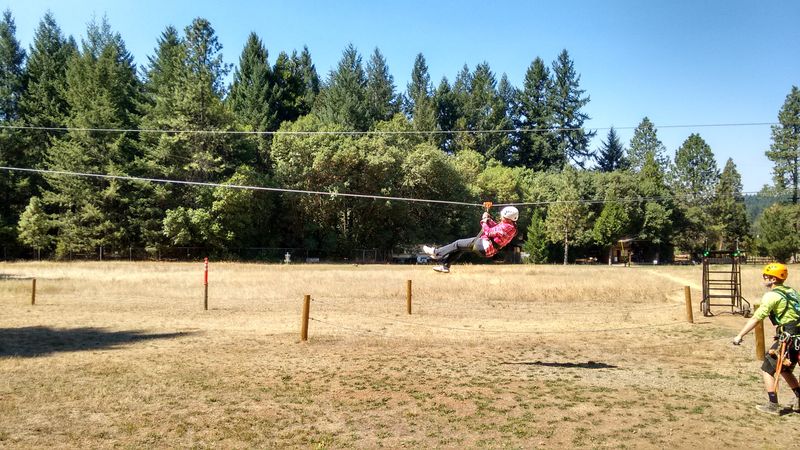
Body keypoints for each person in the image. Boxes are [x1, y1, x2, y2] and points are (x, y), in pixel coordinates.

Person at [732, 263, 800, 415]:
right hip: (797, 337)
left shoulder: (771, 295)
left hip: (789, 338)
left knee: (767, 368)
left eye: (766, 276)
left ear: (773, 279)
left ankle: (772, 405)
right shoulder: (792, 292)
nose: (764, 279)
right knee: (784, 369)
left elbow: (757, 318)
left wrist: (740, 335)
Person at [422, 206, 519, 273]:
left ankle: (436, 252)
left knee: (457, 243)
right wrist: (489, 220)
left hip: (485, 245)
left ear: (507, 217)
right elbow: (495, 229)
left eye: (503, 216)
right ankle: (445, 266)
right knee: (460, 248)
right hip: (488, 248)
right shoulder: (510, 226)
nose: (501, 217)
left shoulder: (506, 227)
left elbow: (489, 232)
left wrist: (484, 221)